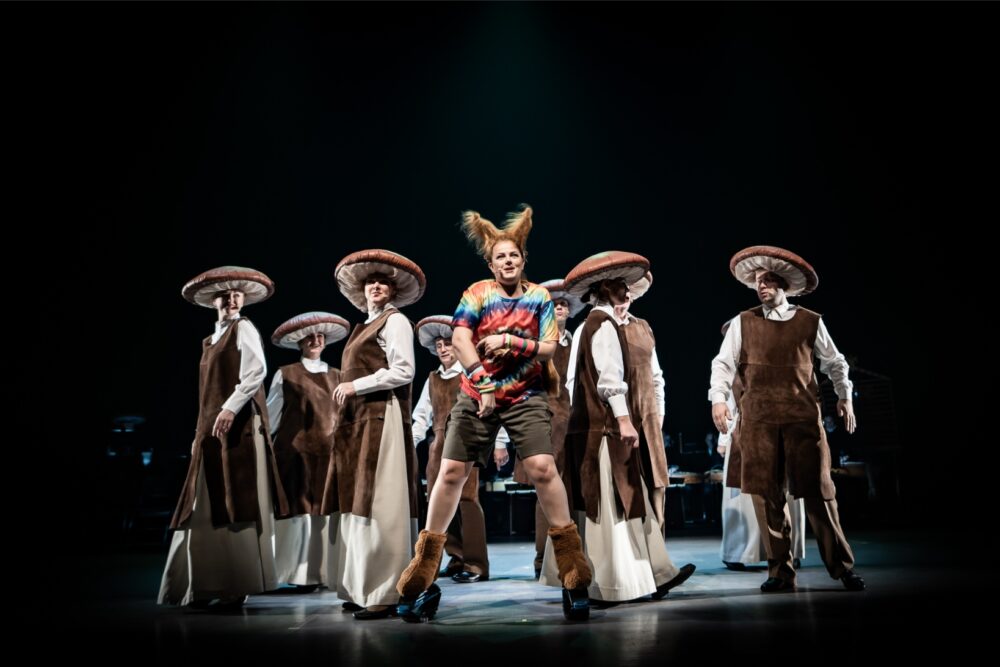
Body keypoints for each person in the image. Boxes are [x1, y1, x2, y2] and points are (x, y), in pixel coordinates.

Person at [395, 204, 592, 622]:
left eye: (513, 255)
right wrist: (483, 381)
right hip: (475, 393)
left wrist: (508, 340)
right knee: (450, 472)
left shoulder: (538, 297)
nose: (507, 261)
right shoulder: (477, 293)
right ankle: (424, 569)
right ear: (491, 263)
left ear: (523, 260)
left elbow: (548, 348)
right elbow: (461, 338)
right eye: (500, 256)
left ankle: (573, 568)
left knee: (542, 468)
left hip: (524, 395)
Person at [710, 245, 865, 592]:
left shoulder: (810, 321)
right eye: (758, 281)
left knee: (820, 494)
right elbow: (722, 364)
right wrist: (718, 399)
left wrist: (844, 395)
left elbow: (835, 362)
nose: (761, 286)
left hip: (801, 419)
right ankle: (780, 572)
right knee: (768, 499)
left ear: (783, 284)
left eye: (768, 280)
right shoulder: (743, 322)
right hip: (759, 422)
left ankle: (842, 567)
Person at [548, 252, 694, 606]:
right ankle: (610, 582)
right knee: (611, 502)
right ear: (604, 289)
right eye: (620, 286)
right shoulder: (603, 325)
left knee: (629, 496)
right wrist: (623, 419)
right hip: (604, 428)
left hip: (592, 427)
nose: (627, 292)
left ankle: (656, 572)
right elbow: (608, 379)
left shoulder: (591, 324)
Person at [159, 266, 288, 610]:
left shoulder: (243, 327)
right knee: (205, 502)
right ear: (213, 301)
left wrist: (230, 408)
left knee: (235, 498)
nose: (232, 299)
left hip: (239, 427)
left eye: (237, 295)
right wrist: (199, 433)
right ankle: (202, 584)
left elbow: (255, 371)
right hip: (211, 429)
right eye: (225, 295)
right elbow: (207, 395)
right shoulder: (210, 340)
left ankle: (235, 585)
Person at [322, 249, 425, 619]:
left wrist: (356, 385)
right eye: (371, 282)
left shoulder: (395, 321)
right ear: (362, 290)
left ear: (393, 291)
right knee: (358, 501)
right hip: (359, 421)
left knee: (382, 500)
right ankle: (360, 586)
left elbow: (404, 370)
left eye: (383, 282)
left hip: (383, 416)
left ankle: (385, 591)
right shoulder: (362, 326)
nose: (376, 287)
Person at [411, 315, 508, 583]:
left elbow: (494, 409)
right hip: (438, 447)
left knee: (467, 500)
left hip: (466, 442)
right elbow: (422, 416)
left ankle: (476, 564)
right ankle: (455, 556)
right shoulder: (432, 378)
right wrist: (411, 441)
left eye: (448, 344)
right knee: (438, 501)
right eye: (439, 345)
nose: (443, 349)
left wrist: (500, 443)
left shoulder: (471, 375)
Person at [266, 312, 350, 591]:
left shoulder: (338, 376)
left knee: (325, 512)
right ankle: (299, 573)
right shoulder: (286, 374)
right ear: (300, 343)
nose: (315, 340)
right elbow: (272, 415)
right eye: (310, 337)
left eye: (320, 336)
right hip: (295, 455)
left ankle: (323, 571)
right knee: (299, 512)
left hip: (328, 454)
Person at [716, 320, 806, 570]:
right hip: (743, 433)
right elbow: (727, 403)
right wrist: (724, 439)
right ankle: (740, 552)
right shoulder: (729, 366)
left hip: (779, 429)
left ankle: (788, 549)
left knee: (783, 491)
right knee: (742, 496)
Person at [510, 278, 584, 579]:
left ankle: (574, 556)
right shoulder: (535, 344)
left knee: (575, 488)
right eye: (554, 305)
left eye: (564, 304)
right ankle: (544, 558)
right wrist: (504, 437)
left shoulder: (577, 341)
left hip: (575, 424)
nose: (560, 308)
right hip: (544, 421)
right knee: (547, 490)